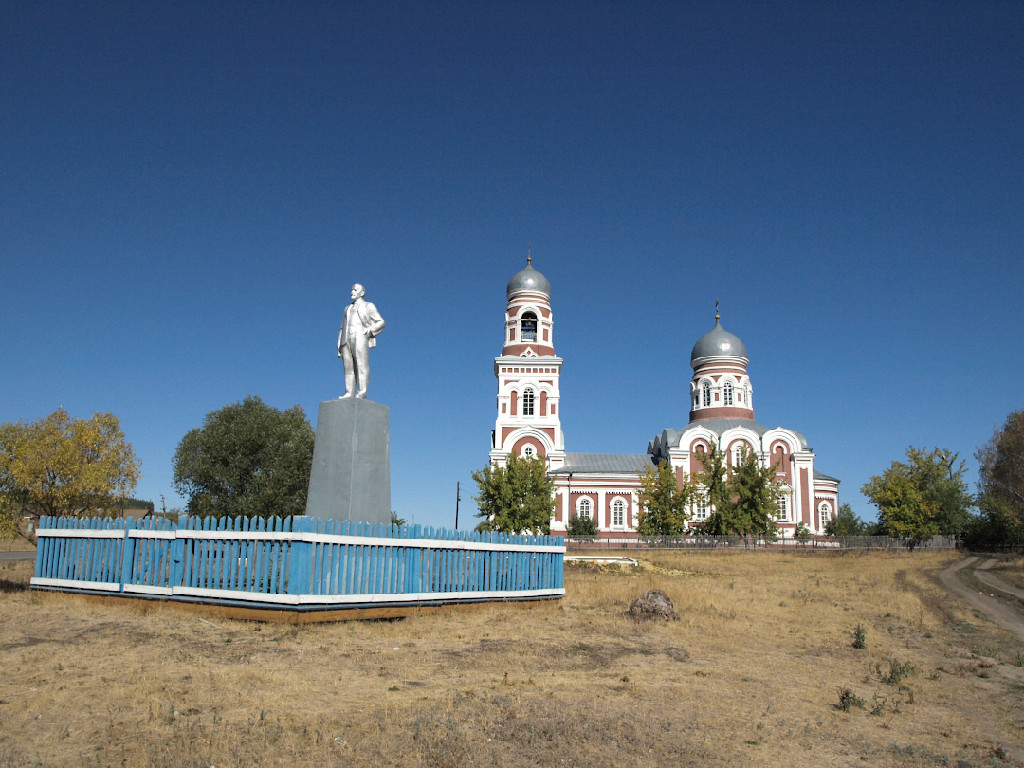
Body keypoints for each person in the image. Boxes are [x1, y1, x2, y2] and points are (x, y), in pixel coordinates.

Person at [337, 283, 385, 399]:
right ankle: (349, 392)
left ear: (362, 293)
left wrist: (368, 331)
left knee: (361, 365)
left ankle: (362, 392)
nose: (352, 292)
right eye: (351, 290)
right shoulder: (347, 309)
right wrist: (339, 345)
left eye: (355, 290)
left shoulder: (368, 306)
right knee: (348, 368)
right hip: (345, 339)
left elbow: (381, 322)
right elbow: (342, 327)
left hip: (360, 336)